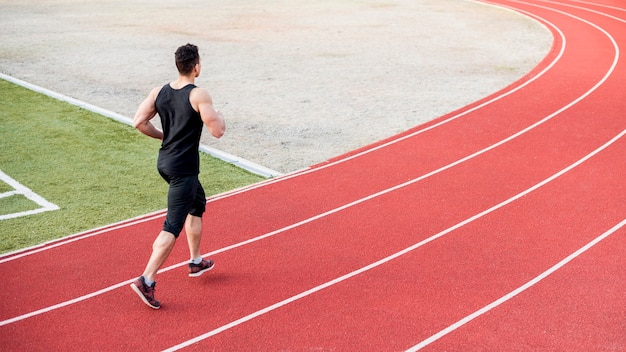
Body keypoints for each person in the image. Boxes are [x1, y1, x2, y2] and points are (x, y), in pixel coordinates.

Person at [130, 43, 225, 309]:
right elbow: (217, 130)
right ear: (196, 66)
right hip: (183, 168)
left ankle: (196, 262)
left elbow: (138, 121)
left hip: (166, 163)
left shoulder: (158, 91)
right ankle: (146, 280)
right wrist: (220, 117)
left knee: (197, 204)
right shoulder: (198, 94)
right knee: (172, 225)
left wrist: (164, 136)